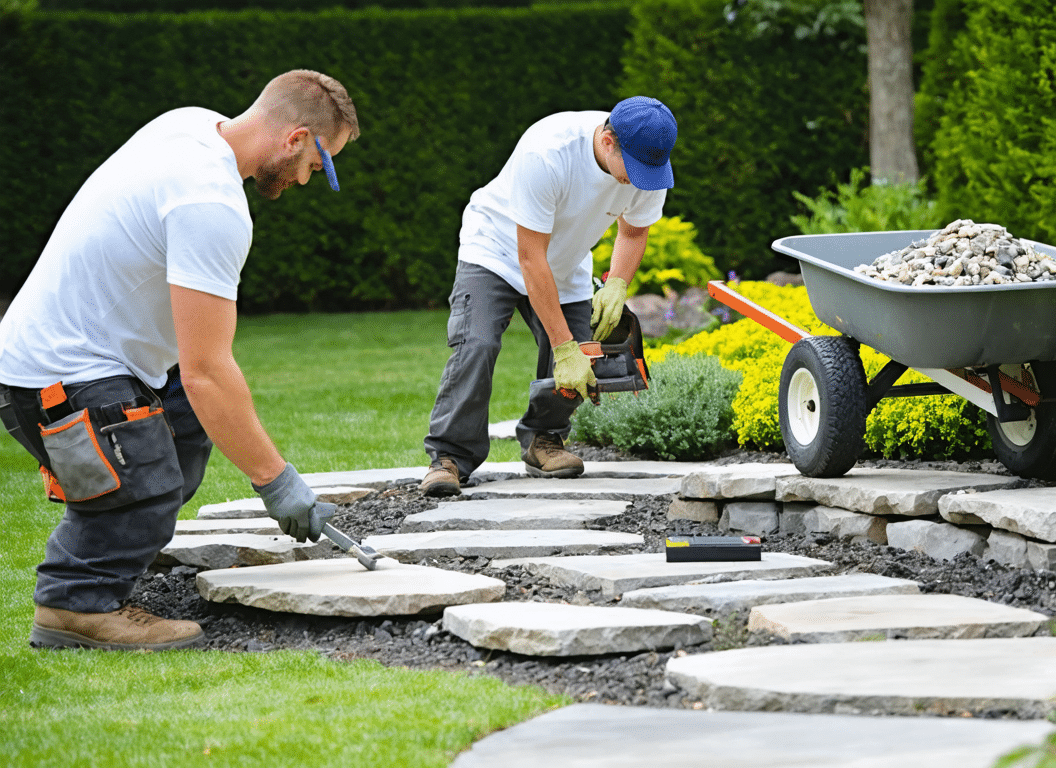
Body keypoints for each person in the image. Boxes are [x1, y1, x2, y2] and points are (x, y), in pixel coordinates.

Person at [0, 70, 360, 651]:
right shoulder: (211, 202)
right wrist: (278, 483)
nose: (306, 179)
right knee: (149, 482)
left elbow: (197, 375)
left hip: (82, 361)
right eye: (317, 166)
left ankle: (120, 544)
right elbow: (206, 372)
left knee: (182, 432)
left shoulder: (189, 124)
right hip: (55, 377)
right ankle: (74, 605)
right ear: (294, 139)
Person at [420, 96, 677, 497]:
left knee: (585, 350)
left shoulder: (647, 163)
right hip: (496, 251)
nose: (641, 180)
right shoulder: (548, 152)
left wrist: (617, 283)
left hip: (566, 261)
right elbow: (530, 258)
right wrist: (562, 346)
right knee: (478, 343)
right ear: (608, 142)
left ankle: (544, 439)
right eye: (635, 169)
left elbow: (633, 231)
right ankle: (449, 457)